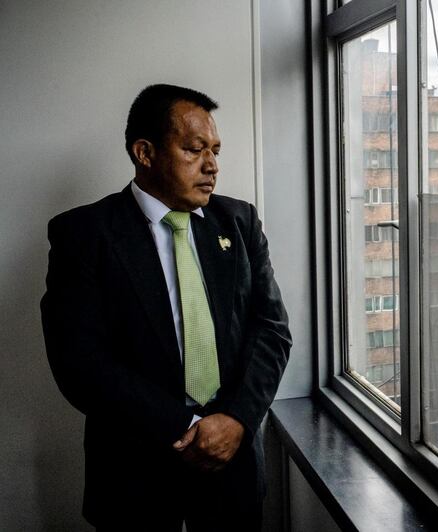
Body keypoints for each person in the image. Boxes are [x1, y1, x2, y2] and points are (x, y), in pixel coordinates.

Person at [41, 84, 292, 531]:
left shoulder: (240, 222)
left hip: (233, 464)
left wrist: (236, 420)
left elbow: (271, 329)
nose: (212, 165)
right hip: (133, 469)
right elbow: (79, 362)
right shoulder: (84, 234)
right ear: (145, 152)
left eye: (215, 150)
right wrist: (188, 426)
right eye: (195, 150)